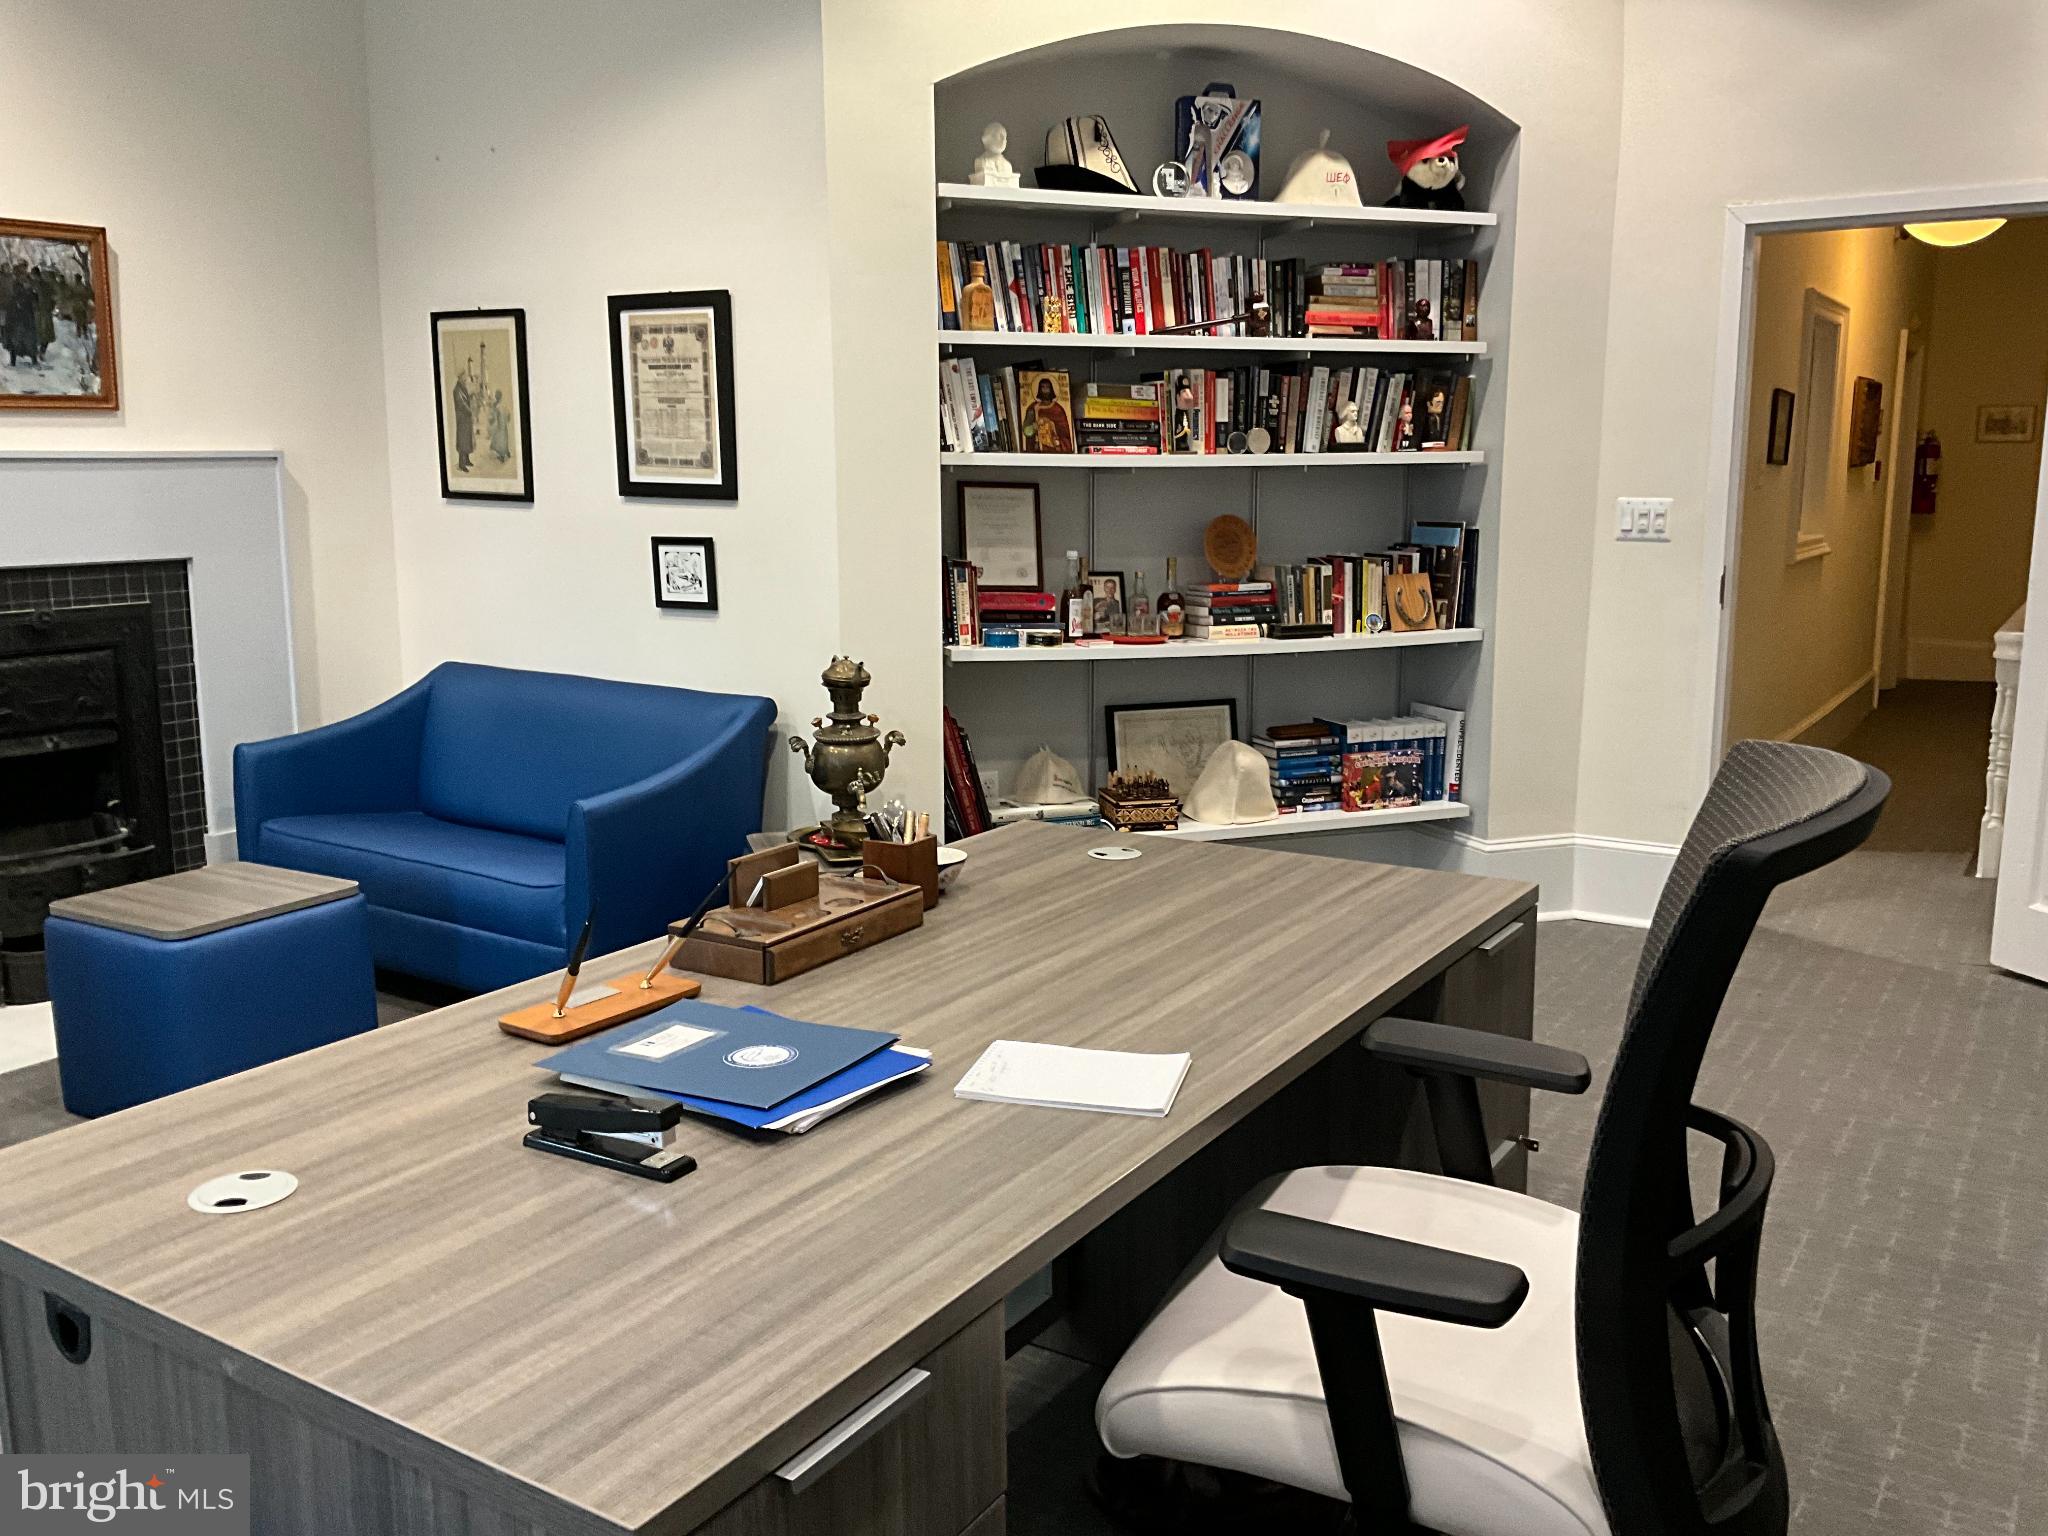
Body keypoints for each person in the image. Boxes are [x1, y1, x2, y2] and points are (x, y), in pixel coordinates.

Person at [451, 364, 476, 473]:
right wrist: (470, 411)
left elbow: (466, 399)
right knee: (462, 441)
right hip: (462, 420)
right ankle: (461, 464)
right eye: (464, 376)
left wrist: (471, 396)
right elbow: (461, 404)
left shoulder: (462, 387)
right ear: (460, 377)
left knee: (467, 440)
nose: (466, 377)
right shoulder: (457, 389)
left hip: (466, 419)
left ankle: (467, 460)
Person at [488, 388, 511, 464]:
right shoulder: (501, 404)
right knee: (503, 438)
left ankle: (502, 456)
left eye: (497, 395)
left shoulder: (498, 405)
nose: (496, 396)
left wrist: (492, 421)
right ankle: (506, 452)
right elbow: (508, 415)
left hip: (500, 425)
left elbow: (494, 416)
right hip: (502, 425)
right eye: (496, 395)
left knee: (500, 439)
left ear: (498, 396)